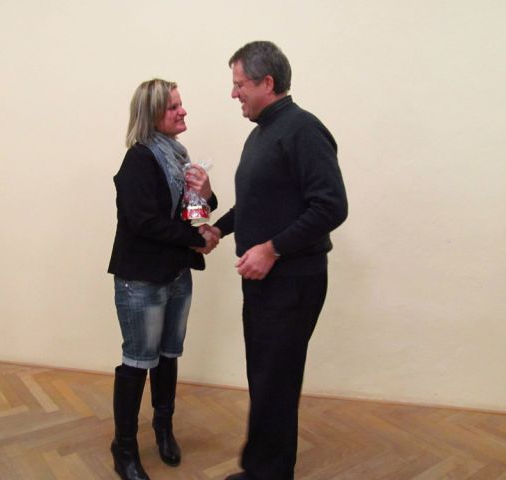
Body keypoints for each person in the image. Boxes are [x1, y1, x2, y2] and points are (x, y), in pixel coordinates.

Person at [207, 41, 348, 480]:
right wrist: (219, 229)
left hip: (292, 280)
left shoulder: (302, 129)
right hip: (268, 281)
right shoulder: (263, 132)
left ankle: (267, 473)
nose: (234, 93)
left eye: (239, 84)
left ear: (267, 83)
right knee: (267, 379)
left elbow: (331, 206)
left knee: (275, 381)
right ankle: (262, 469)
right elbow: (256, 203)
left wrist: (272, 248)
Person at [108, 78, 219, 480]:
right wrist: (197, 240)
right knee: (139, 361)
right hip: (141, 279)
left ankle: (163, 428)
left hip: (175, 274)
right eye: (173, 106)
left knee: (169, 355)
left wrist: (207, 193)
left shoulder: (177, 156)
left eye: (180, 103)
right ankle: (124, 447)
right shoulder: (138, 160)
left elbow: (191, 210)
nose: (182, 110)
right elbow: (144, 222)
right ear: (152, 114)